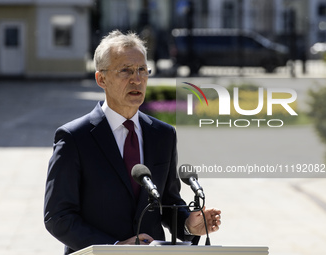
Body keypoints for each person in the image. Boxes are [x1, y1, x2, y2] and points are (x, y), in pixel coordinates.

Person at [44, 30, 221, 255]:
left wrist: (188, 224)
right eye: (125, 70)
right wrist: (115, 249)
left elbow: (167, 201)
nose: (136, 79)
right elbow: (58, 217)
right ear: (101, 79)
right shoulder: (74, 138)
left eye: (141, 70)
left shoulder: (163, 135)